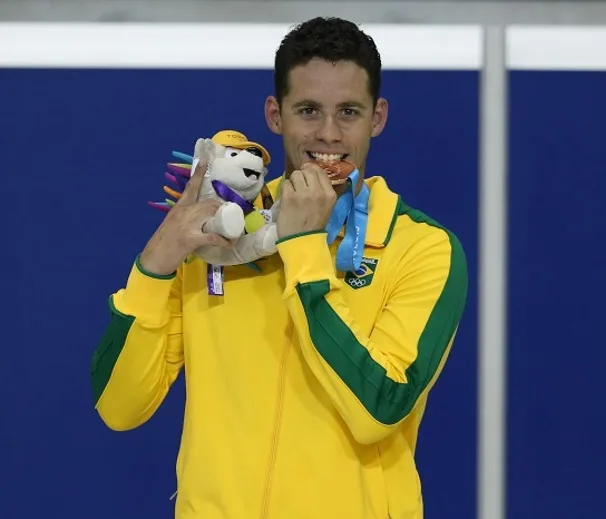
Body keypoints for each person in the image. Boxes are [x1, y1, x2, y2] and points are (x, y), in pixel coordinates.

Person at [90, 16, 468, 519]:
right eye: (308, 110)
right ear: (276, 114)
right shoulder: (220, 238)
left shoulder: (422, 248)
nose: (328, 134)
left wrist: (305, 247)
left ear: (377, 118)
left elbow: (380, 408)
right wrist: (156, 263)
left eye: (348, 112)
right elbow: (119, 407)